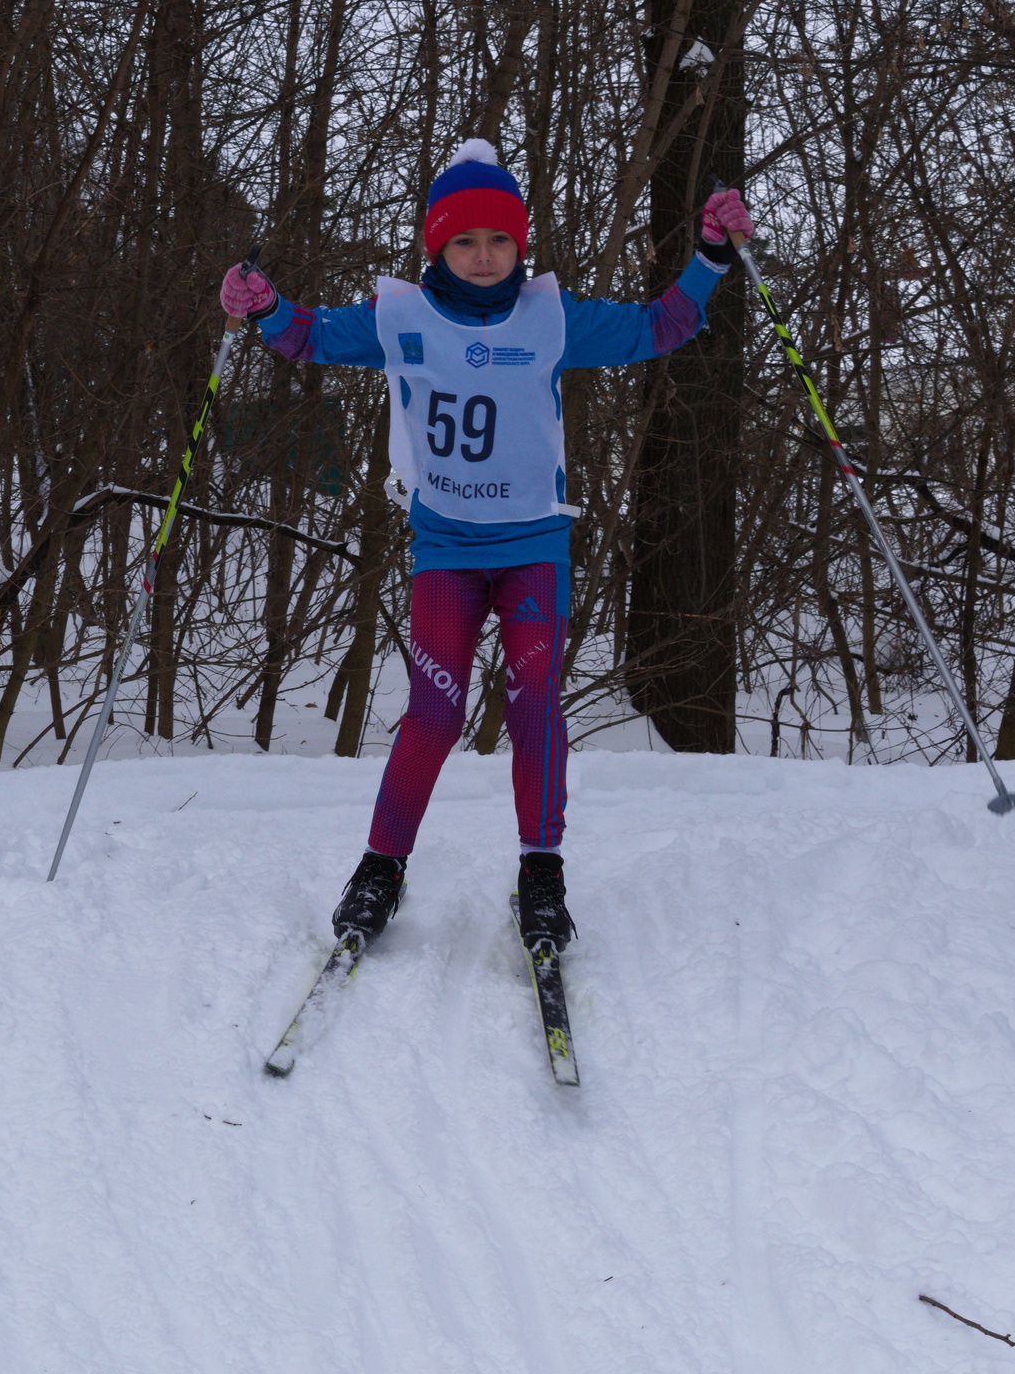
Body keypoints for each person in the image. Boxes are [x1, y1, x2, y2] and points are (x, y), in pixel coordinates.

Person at [219, 139, 752, 955]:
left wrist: (712, 255)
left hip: (534, 545)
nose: (482, 256)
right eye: (464, 241)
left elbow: (661, 326)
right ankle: (380, 870)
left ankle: (543, 872)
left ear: (520, 245)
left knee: (536, 705)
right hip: (445, 550)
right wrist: (260, 306)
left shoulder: (550, 315)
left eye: (499, 240)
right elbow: (307, 337)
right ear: (437, 245)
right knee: (434, 713)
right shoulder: (401, 318)